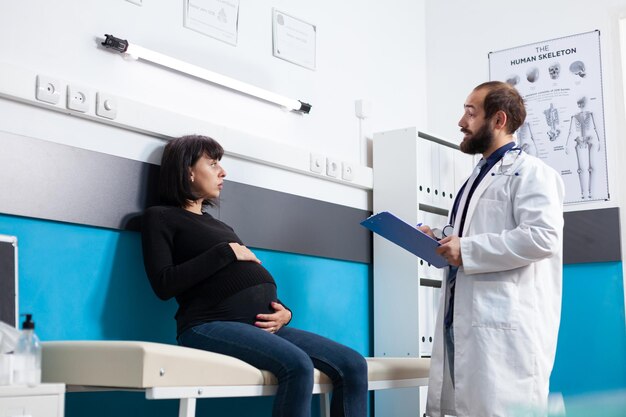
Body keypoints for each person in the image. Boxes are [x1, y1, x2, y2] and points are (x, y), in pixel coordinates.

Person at [140, 135, 367, 417]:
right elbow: (163, 284)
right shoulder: (160, 217)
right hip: (208, 324)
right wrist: (225, 252)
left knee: (353, 364)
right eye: (212, 165)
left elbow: (243, 275)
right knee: (297, 365)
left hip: (263, 325)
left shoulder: (219, 225)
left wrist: (285, 312)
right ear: (188, 170)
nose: (223, 172)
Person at [420, 81, 564, 417]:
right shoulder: (477, 177)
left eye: (471, 113)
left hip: (503, 332)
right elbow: (473, 233)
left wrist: (467, 250)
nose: (461, 121)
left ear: (498, 120)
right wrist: (439, 237)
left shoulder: (532, 174)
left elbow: (543, 237)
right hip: (463, 323)